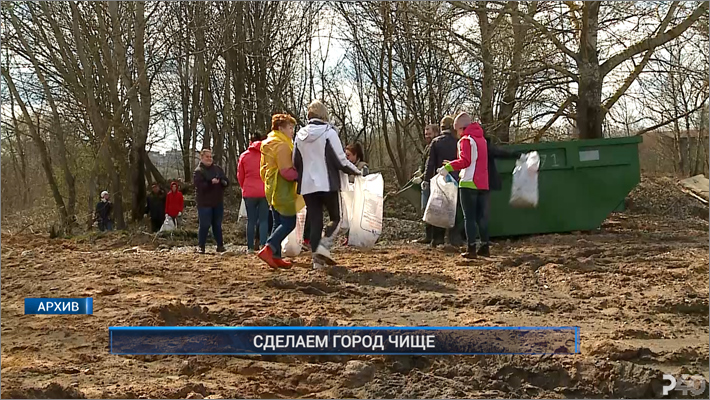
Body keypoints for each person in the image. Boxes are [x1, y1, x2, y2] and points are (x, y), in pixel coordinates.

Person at [293, 100, 361, 269]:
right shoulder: (329, 133)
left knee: (315, 220)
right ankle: (323, 247)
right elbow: (341, 160)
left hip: (308, 186)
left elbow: (295, 162)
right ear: (324, 114)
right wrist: (357, 172)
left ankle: (317, 262)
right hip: (328, 183)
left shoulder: (300, 135)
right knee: (336, 218)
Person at [439, 112, 489, 259]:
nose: (458, 134)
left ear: (461, 128)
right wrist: (453, 164)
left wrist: (447, 168)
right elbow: (475, 161)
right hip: (483, 182)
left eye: (457, 130)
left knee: (469, 217)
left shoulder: (465, 140)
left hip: (468, 181)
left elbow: (465, 161)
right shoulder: (482, 140)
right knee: (481, 217)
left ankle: (471, 248)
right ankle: (485, 246)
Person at [258, 113, 304, 269]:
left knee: (277, 221)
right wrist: (302, 176)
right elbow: (286, 171)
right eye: (290, 127)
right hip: (283, 188)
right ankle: (269, 248)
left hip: (271, 188)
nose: (292, 131)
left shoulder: (268, 142)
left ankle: (276, 256)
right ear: (281, 128)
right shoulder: (282, 145)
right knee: (289, 223)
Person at [424, 116, 464, 247]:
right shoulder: (458, 142)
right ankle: (455, 238)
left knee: (439, 208)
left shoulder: (436, 142)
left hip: (440, 180)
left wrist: (427, 179)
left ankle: (438, 238)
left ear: (441, 127)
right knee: (454, 208)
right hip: (455, 179)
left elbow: (430, 164)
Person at [238, 133, 269, 253]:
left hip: (249, 191)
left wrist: (244, 187)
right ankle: (263, 245)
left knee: (250, 220)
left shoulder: (244, 156)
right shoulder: (265, 154)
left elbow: (240, 175)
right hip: (264, 191)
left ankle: (250, 247)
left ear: (250, 141)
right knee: (263, 220)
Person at [194, 148, 229, 254]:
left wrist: (223, 182)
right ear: (202, 157)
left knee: (217, 225)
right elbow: (199, 187)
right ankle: (201, 246)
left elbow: (226, 181)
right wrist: (210, 183)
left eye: (210, 157)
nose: (209, 159)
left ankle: (220, 245)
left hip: (217, 201)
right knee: (204, 225)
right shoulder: (198, 171)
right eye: (207, 157)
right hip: (204, 203)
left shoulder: (217, 169)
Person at [412, 124, 440, 244]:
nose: (427, 136)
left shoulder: (435, 145)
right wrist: (420, 171)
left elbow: (431, 165)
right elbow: (425, 163)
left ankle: (432, 236)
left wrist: (423, 177)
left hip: (432, 181)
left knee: (430, 208)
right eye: (425, 134)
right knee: (426, 208)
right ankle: (429, 235)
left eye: (429, 134)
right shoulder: (428, 147)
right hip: (427, 179)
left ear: (436, 133)